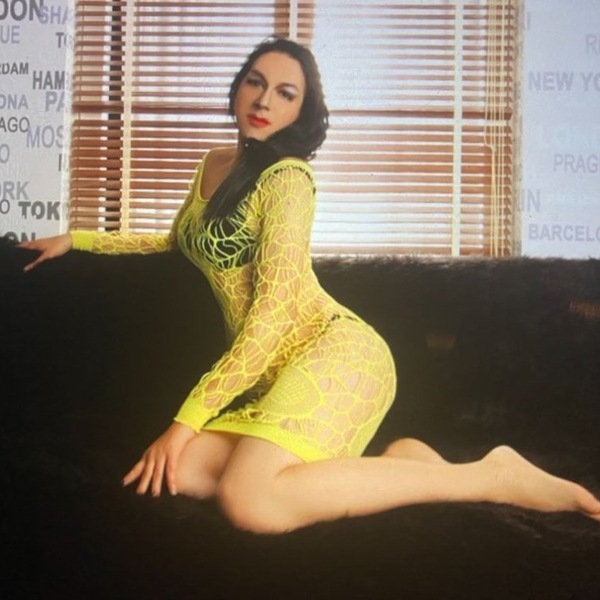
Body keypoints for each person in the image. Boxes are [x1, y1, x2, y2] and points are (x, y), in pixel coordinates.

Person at [21, 38, 600, 534]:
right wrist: (79, 239)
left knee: (251, 502)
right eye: (256, 83)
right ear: (238, 87)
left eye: (285, 93)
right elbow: (178, 242)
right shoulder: (215, 163)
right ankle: (413, 465)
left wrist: (184, 421)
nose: (264, 101)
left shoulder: (288, 181)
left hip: (335, 355)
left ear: (302, 111)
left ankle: (488, 476)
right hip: (273, 372)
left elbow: (269, 320)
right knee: (186, 472)